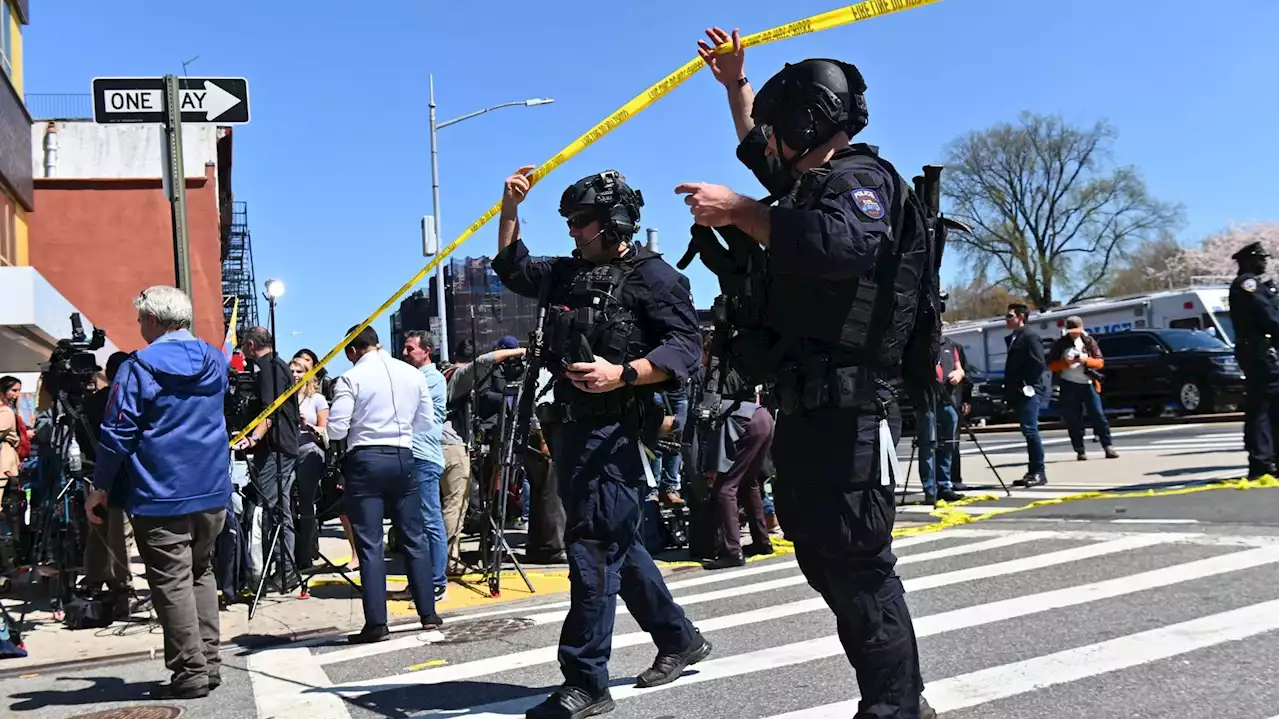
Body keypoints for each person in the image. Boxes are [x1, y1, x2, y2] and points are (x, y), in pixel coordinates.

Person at [678, 27, 934, 718]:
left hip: (854, 405)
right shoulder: (810, 183)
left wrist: (740, 212)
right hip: (810, 405)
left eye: (778, 125)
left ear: (806, 123)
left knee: (857, 562)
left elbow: (840, 244)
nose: (770, 140)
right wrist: (735, 86)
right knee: (824, 555)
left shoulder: (860, 180)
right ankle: (898, 698)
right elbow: (765, 160)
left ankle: (895, 708)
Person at [494, 165, 711, 718]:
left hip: (616, 430)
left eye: (582, 221)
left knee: (591, 546)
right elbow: (514, 269)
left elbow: (687, 348)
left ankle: (586, 679)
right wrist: (511, 207)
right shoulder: (567, 272)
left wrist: (627, 373)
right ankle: (679, 638)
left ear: (614, 223)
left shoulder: (654, 277)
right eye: (568, 221)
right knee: (617, 540)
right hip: (570, 427)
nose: (573, 231)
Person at [84, 285, 232, 699]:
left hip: (159, 490)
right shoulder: (215, 361)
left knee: (171, 582)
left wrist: (100, 486)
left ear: (152, 320)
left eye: (139, 320)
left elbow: (117, 433)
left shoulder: (138, 367)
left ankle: (190, 672)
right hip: (212, 488)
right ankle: (209, 661)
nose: (139, 328)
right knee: (201, 572)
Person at [325, 325, 441, 643]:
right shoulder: (412, 375)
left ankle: (377, 623)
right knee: (414, 536)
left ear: (352, 351)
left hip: (365, 459)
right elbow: (426, 421)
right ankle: (428, 612)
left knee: (370, 544)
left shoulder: (352, 378)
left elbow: (336, 430)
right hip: (403, 455)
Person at [233, 327, 302, 591]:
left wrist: (253, 438)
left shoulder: (269, 368)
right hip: (280, 448)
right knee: (277, 509)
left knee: (270, 509)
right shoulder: (278, 366)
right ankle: (283, 569)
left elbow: (269, 410)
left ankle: (283, 571)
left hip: (276, 449)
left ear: (251, 344)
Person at [698, 336, 774, 570]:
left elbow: (709, 411)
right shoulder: (742, 366)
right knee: (750, 483)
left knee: (725, 488)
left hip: (742, 423)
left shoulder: (712, 374)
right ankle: (761, 541)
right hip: (762, 417)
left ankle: (732, 551)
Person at [79, 351, 134, 598]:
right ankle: (120, 582)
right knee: (119, 530)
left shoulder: (91, 401)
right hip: (118, 471)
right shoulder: (123, 400)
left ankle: (93, 577)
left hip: (91, 468)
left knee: (97, 528)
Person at [401, 330, 449, 602]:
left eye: (410, 349)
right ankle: (420, 580)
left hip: (424, 456)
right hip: (411, 454)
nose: (405, 354)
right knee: (414, 523)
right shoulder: (415, 377)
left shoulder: (431, 378)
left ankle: (435, 581)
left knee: (430, 519)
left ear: (425, 351)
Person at [1227, 241, 1280, 480]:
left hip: (1263, 352)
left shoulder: (1258, 286)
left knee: (1271, 407)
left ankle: (1269, 458)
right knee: (1263, 407)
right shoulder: (1248, 285)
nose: (1265, 262)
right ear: (1249, 260)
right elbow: (1268, 318)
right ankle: (1261, 461)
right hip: (1260, 353)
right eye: (1261, 258)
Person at [1047, 316, 1119, 462]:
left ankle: (1108, 446)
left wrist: (1086, 360)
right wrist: (1066, 363)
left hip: (1088, 383)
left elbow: (1100, 362)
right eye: (1072, 331)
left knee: (1098, 415)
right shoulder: (1060, 343)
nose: (1074, 334)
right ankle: (1080, 450)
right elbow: (1050, 365)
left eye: (1077, 331)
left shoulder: (1088, 341)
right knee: (1073, 419)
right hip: (1068, 384)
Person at [289, 356, 330, 571]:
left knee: (305, 503)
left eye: (299, 371)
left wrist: (308, 426)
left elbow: (325, 432)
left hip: (309, 452)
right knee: (286, 503)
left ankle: (305, 553)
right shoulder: (284, 397)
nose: (295, 375)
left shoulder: (317, 399)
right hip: (287, 453)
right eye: (292, 371)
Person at [915, 335, 966, 505]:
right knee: (928, 445)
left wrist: (958, 374)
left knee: (948, 444)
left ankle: (945, 486)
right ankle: (930, 489)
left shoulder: (950, 344)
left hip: (948, 399)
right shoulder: (920, 343)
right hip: (928, 401)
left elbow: (960, 368)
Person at [1003, 304, 1049, 487]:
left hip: (1029, 390)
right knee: (1026, 430)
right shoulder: (1014, 337)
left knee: (1031, 430)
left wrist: (1026, 383)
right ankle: (1031, 471)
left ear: (1021, 316)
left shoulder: (1030, 336)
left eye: (1009, 316)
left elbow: (1038, 363)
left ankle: (1039, 471)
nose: (1006, 319)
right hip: (1017, 391)